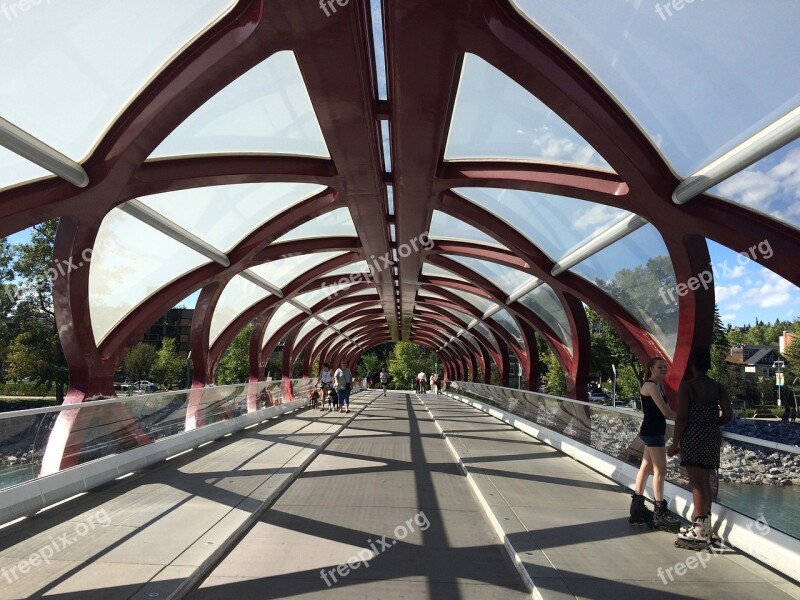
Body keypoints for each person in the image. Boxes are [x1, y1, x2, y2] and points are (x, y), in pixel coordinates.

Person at [668, 347, 732, 546]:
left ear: (693, 366)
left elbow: (682, 418)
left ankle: (699, 530)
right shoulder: (718, 387)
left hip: (693, 436)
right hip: (712, 436)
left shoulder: (688, 387)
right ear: (709, 365)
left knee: (697, 483)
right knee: (706, 481)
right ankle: (706, 526)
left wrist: (675, 443)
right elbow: (728, 415)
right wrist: (711, 424)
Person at [630, 356, 681, 532]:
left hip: (654, 430)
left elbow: (664, 412)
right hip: (653, 432)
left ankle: (637, 506)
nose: (664, 369)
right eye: (660, 367)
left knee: (646, 467)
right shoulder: (650, 386)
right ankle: (660, 509)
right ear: (651, 368)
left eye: (665, 366)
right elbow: (665, 411)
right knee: (660, 470)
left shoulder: (659, 385)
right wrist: (686, 419)